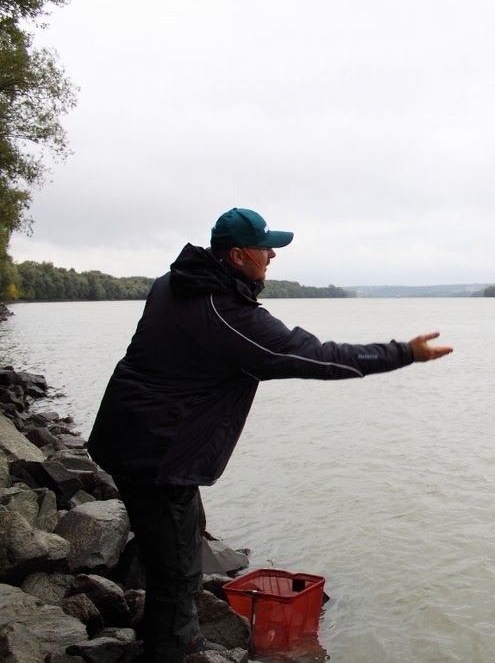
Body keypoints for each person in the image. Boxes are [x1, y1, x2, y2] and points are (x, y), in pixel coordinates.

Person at [87, 207, 452, 661]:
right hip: (159, 453)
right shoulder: (227, 316)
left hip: (126, 435)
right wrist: (403, 353)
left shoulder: (173, 283)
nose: (273, 254)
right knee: (180, 571)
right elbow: (316, 357)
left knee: (177, 540)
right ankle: (173, 650)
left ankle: (159, 631)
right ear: (238, 255)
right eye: (266, 247)